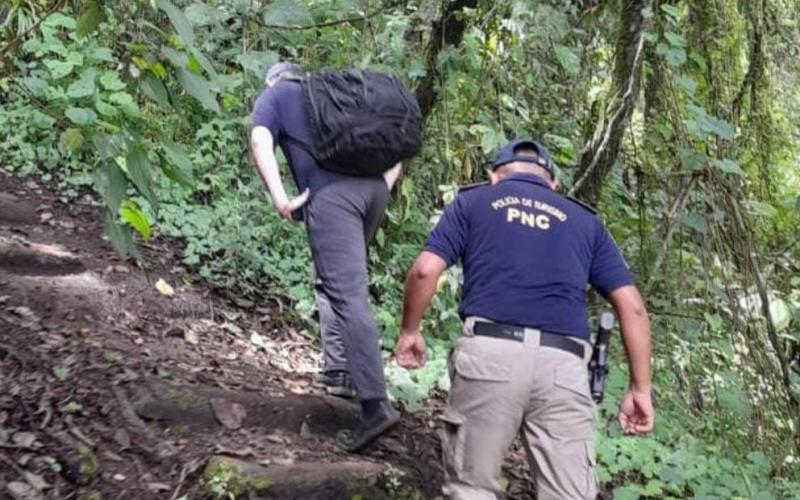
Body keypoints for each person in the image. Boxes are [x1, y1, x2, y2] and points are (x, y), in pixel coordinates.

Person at [394, 139, 654, 499]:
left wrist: (410, 331)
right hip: (564, 368)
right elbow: (633, 307)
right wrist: (640, 389)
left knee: (471, 491)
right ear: (553, 184)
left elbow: (425, 270)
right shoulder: (585, 221)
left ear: (494, 176)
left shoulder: (474, 201)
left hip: (490, 357)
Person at [250, 62, 401, 451]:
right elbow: (395, 149)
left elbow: (260, 141)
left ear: (272, 81)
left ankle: (374, 405)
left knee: (347, 293)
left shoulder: (276, 95)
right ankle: (339, 372)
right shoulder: (335, 95)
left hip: (332, 197)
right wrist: (379, 187)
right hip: (373, 192)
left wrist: (280, 198)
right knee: (337, 282)